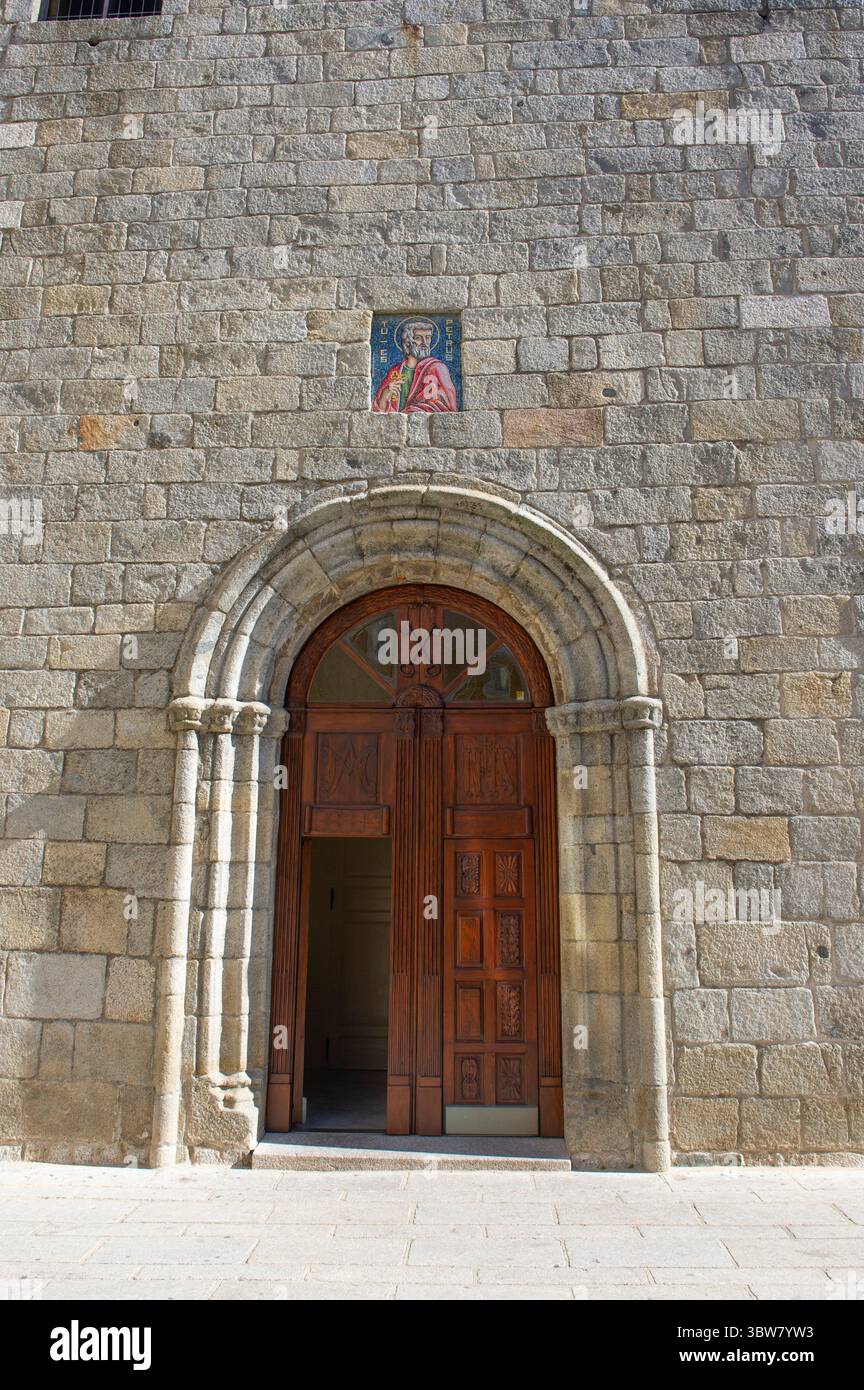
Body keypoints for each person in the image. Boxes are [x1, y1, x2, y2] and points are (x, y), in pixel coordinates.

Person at [372, 318, 459, 413]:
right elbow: (378, 411)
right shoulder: (395, 371)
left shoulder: (437, 368)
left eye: (428, 337)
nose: (425, 343)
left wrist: (407, 413)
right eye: (418, 338)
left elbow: (445, 405)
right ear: (408, 341)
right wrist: (385, 395)